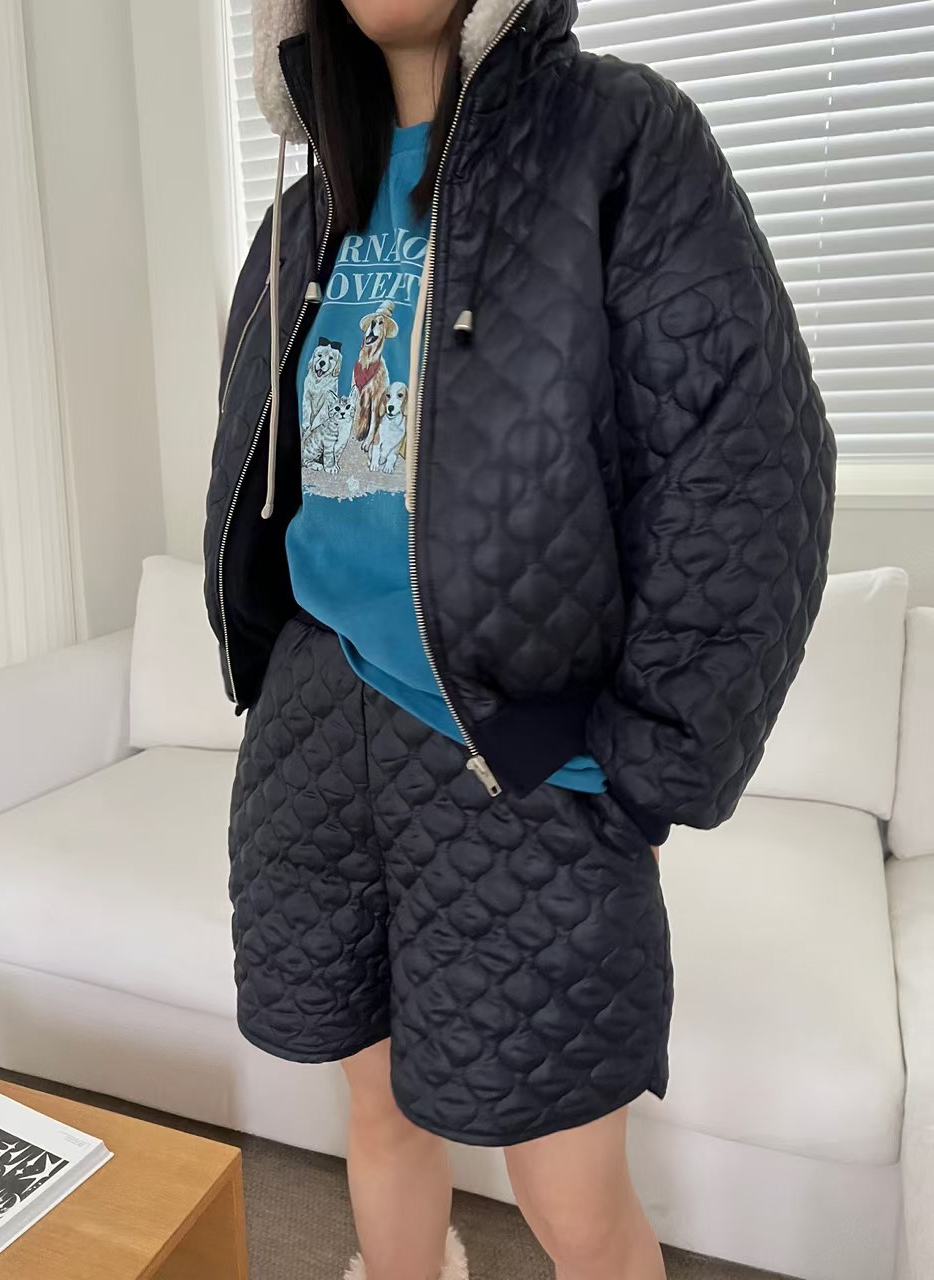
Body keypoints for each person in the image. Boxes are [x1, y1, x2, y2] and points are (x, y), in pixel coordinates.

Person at [203, 2, 836, 1277]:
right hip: (314, 734)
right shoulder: (301, 213)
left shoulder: (618, 142)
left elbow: (747, 464)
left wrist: (649, 755)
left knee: (571, 1194)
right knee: (376, 1112)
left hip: (511, 749)